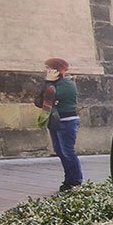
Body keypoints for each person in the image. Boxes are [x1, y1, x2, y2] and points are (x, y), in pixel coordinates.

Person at [38, 58, 84, 191]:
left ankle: (75, 181)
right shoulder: (51, 84)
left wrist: (48, 89)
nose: (46, 71)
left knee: (67, 151)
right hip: (55, 121)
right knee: (60, 151)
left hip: (67, 121)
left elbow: (48, 97)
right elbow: (38, 100)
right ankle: (69, 179)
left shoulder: (67, 84)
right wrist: (48, 87)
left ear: (57, 70)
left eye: (48, 68)